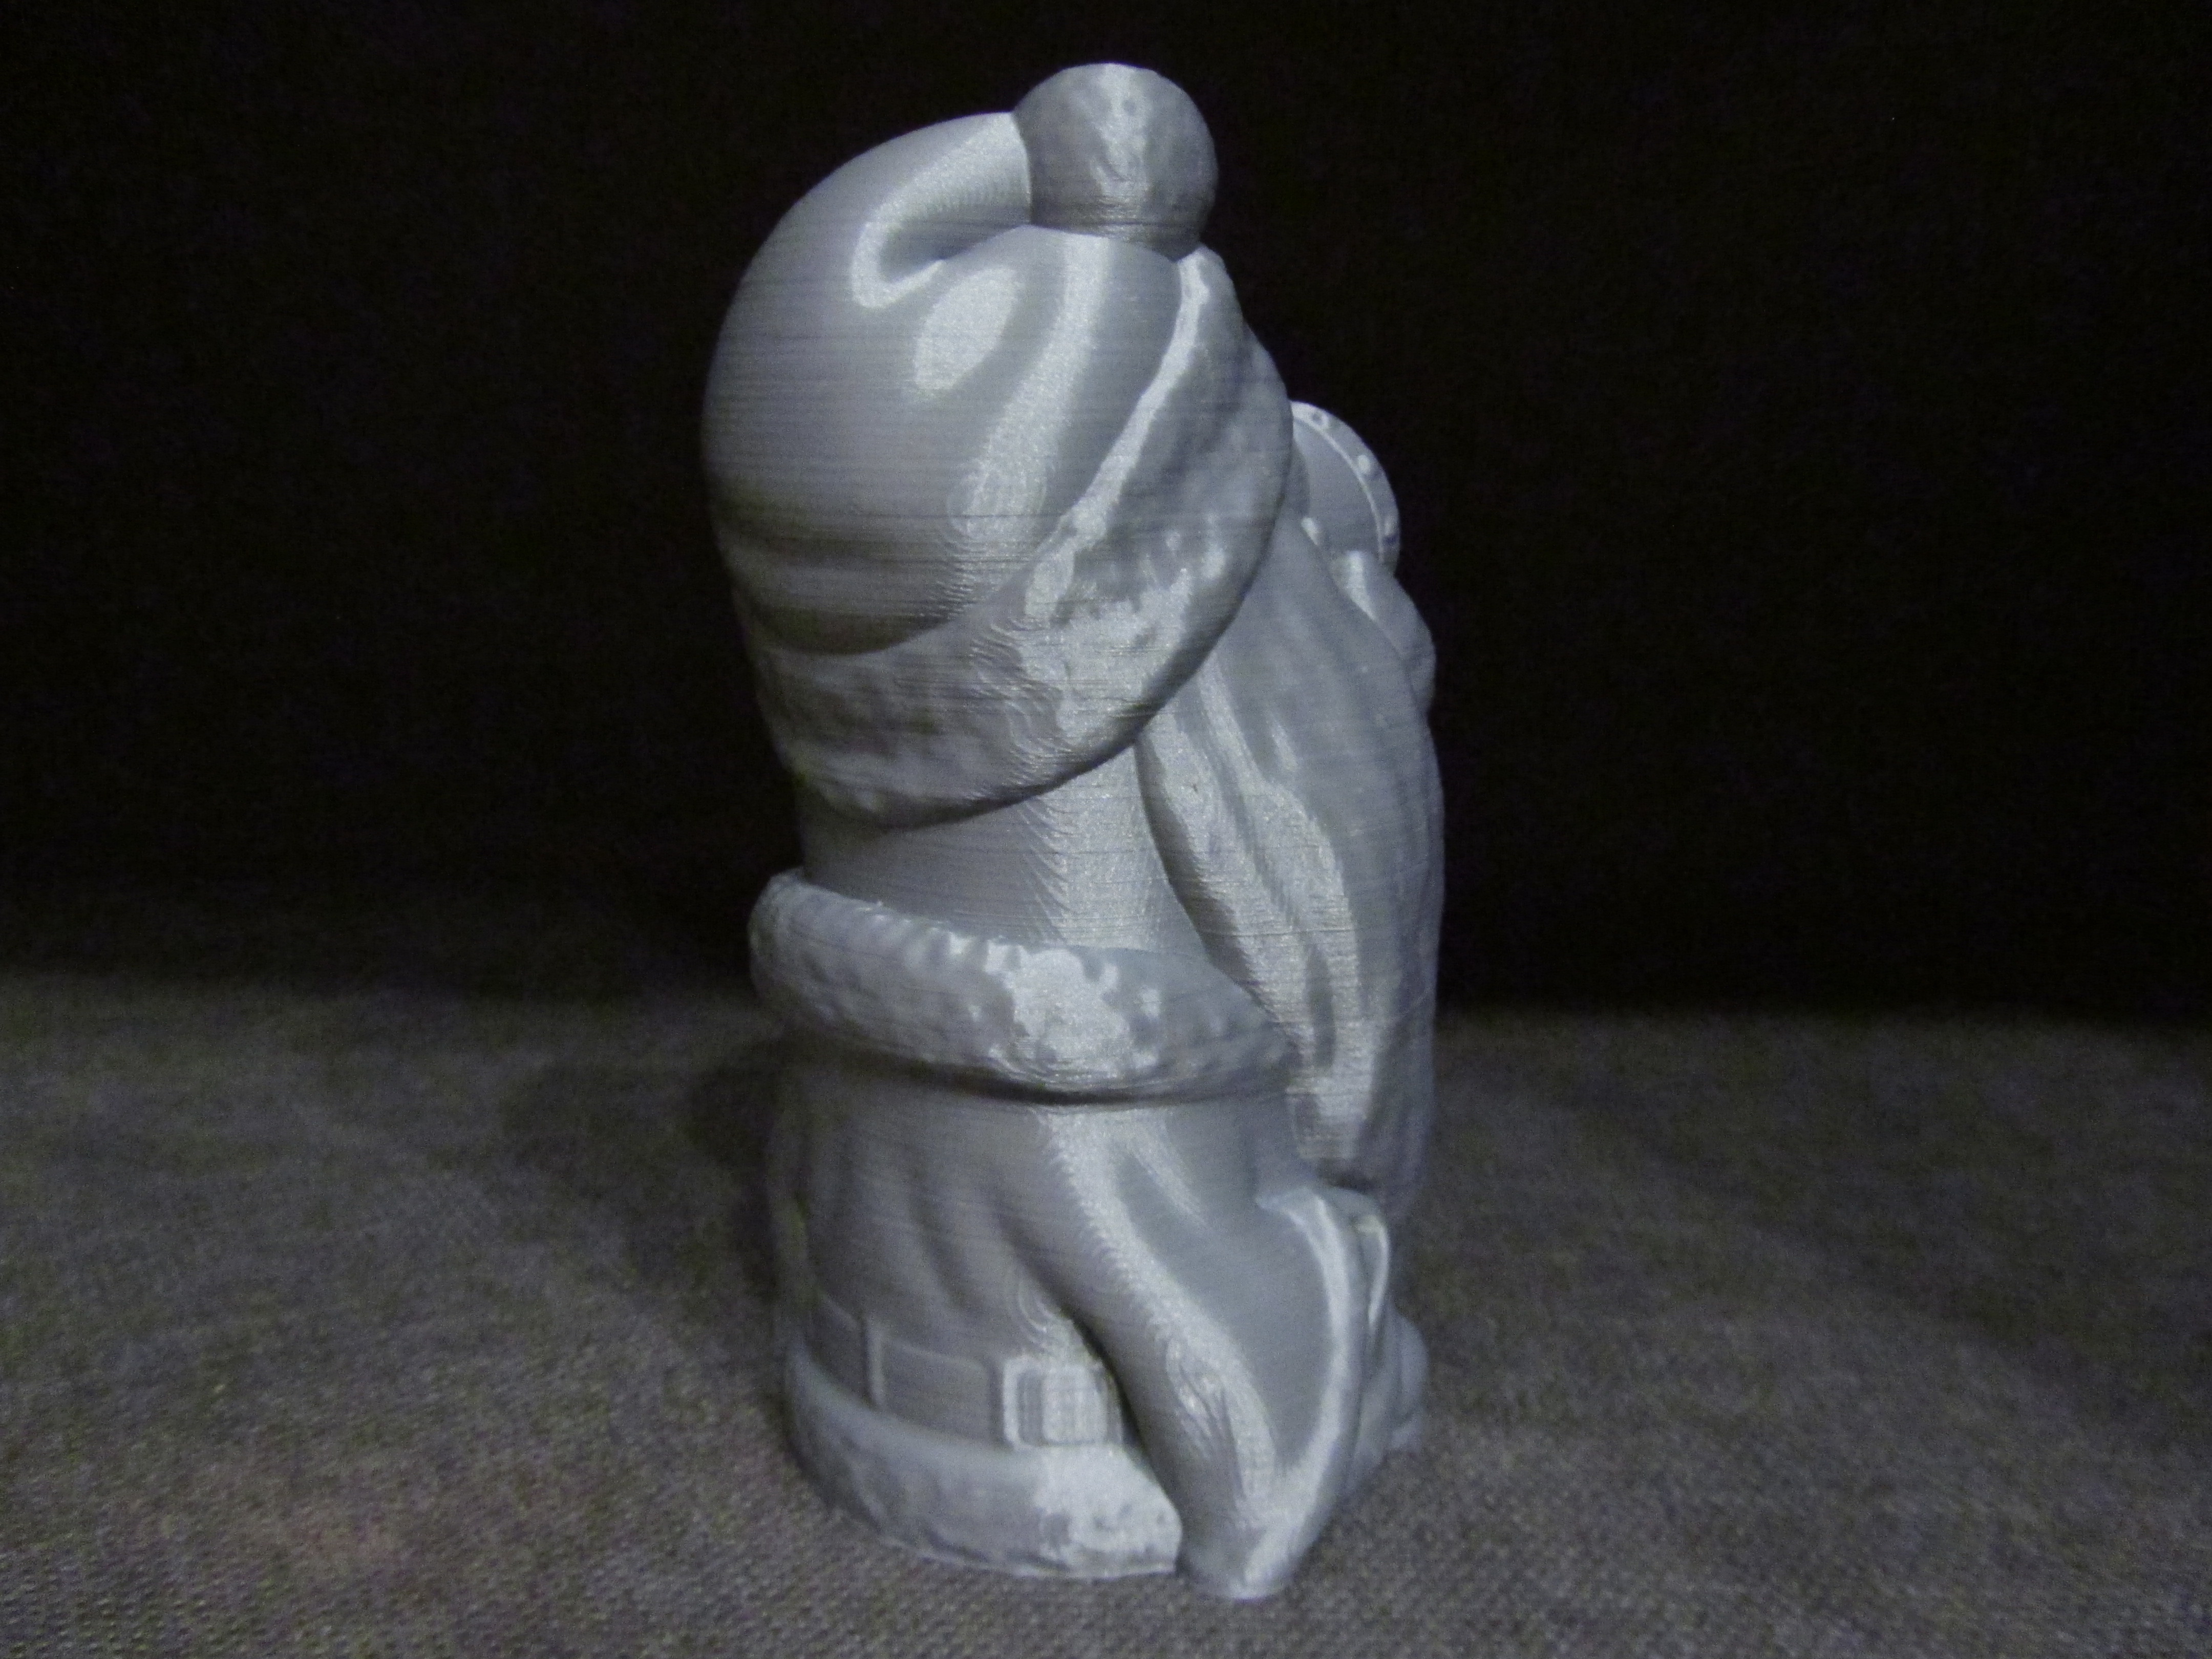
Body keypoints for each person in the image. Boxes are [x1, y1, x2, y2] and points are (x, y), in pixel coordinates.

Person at [703, 63, 1442, 1600]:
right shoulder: (1233, 662)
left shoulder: (836, 493)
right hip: (1116, 1242)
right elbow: (1323, 874)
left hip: (878, 1277)